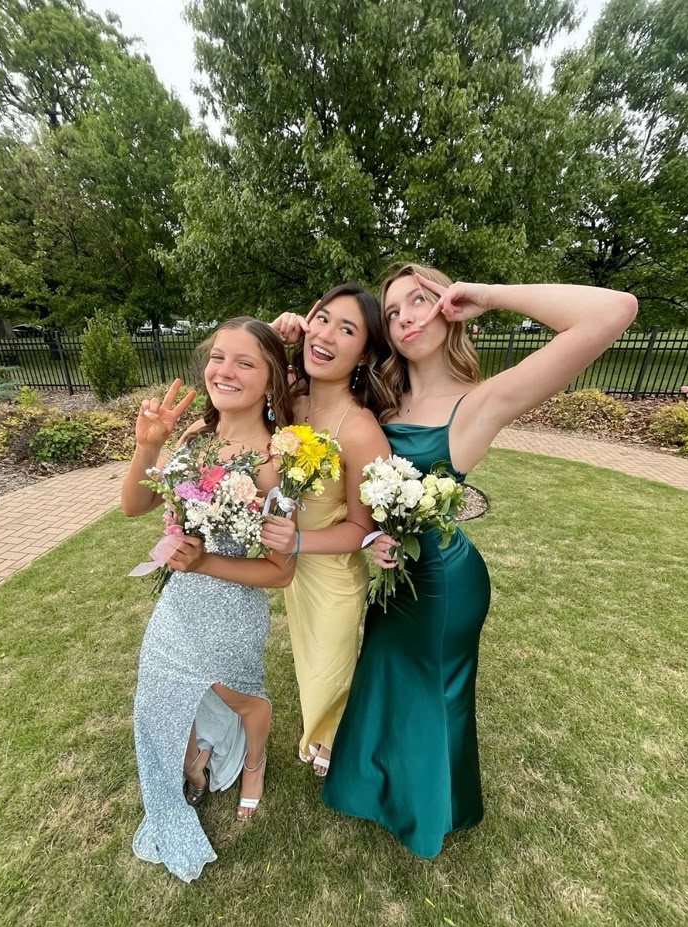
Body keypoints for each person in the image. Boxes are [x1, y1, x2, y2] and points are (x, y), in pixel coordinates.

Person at [321, 264, 638, 857]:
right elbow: (309, 375)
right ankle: (378, 790)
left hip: (443, 582)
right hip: (392, 572)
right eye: (392, 312)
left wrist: (488, 295)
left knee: (434, 694)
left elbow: (614, 309)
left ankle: (433, 813)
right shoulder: (380, 395)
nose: (406, 316)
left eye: (420, 300)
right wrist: (291, 328)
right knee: (387, 678)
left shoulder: (482, 402)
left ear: (447, 306)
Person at [121, 317, 295, 882]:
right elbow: (134, 506)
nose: (225, 371)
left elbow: (280, 574)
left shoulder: (280, 462)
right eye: (219, 357)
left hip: (233, 607)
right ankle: (192, 760)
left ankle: (254, 763)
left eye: (246, 362)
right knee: (158, 691)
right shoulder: (196, 436)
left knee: (240, 697)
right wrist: (148, 445)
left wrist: (204, 561)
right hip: (179, 603)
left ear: (271, 379)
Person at [263, 284, 391, 774]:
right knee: (307, 661)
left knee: (330, 667)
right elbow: (241, 371)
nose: (326, 335)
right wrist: (274, 337)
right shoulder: (292, 398)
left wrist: (298, 541)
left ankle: (334, 737)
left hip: (333, 573)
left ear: (364, 354)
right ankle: (329, 730)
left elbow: (363, 528)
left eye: (348, 329)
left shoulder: (359, 430)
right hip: (292, 569)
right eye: (323, 318)